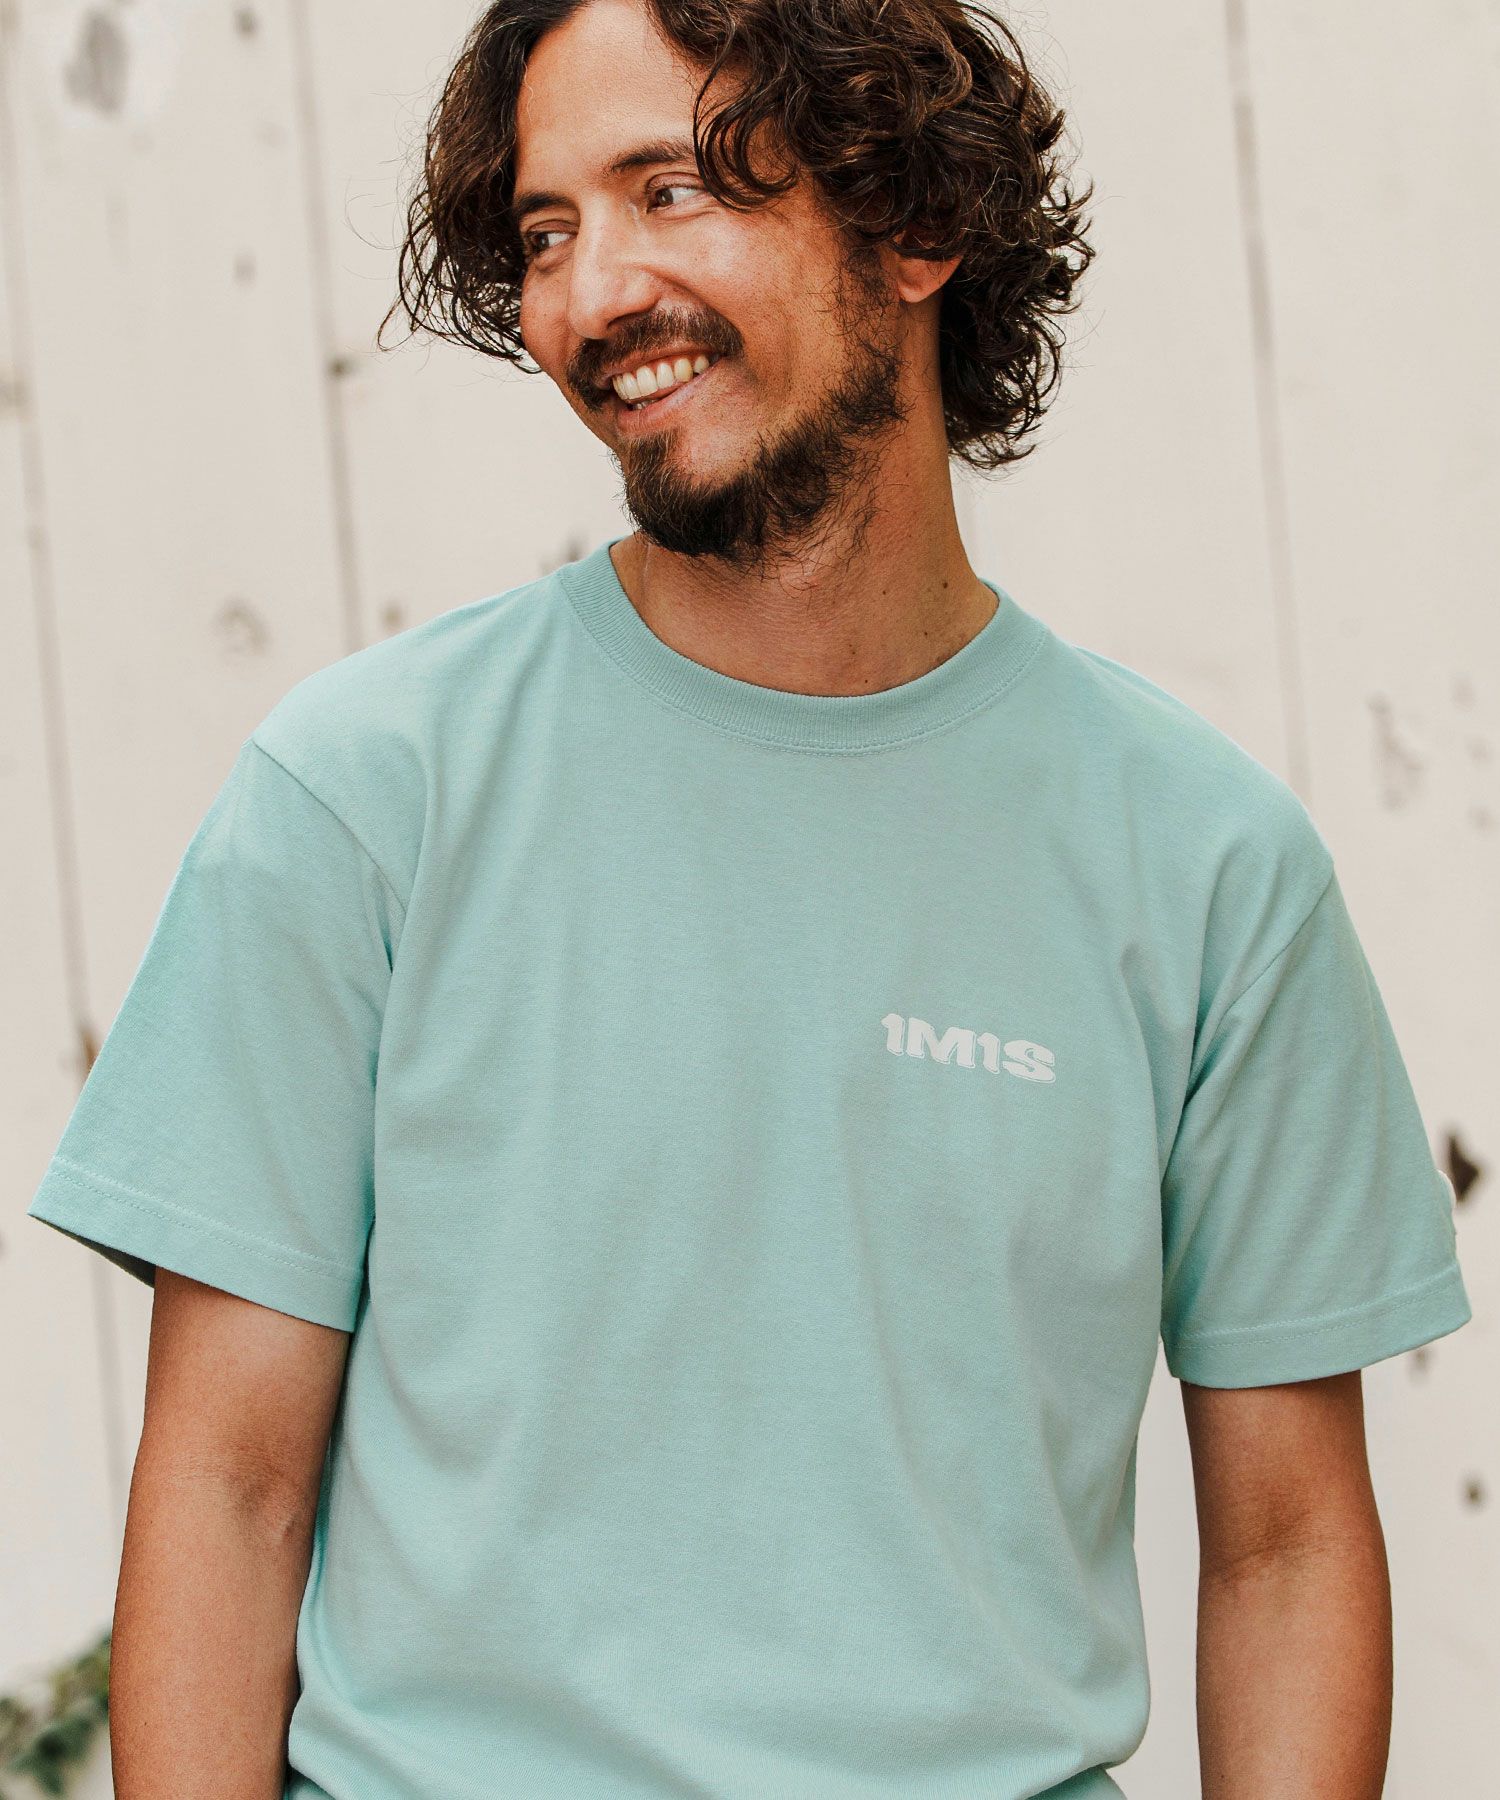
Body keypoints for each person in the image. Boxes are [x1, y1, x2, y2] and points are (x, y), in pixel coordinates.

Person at [28, 0, 1472, 1794]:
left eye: (673, 189)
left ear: (915, 221)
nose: (591, 294)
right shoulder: (362, 798)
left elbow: (1288, 1548)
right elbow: (229, 1490)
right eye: (546, 230)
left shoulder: (1209, 865)